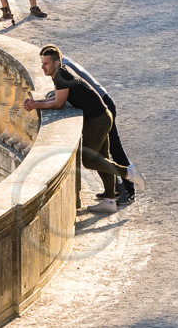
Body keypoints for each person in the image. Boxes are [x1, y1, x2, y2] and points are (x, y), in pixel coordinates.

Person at [23, 46, 136, 213]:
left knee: (106, 152)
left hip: (101, 106)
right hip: (99, 106)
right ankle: (111, 196)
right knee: (102, 154)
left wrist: (36, 104)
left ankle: (128, 183)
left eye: (45, 63)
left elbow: (61, 101)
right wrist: (40, 101)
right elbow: (63, 94)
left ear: (55, 61)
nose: (42, 67)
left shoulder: (61, 72)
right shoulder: (62, 67)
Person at [61, 54, 136, 207]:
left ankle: (129, 190)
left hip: (103, 105)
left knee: (114, 148)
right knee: (104, 152)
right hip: (103, 100)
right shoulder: (64, 62)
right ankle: (113, 191)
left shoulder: (61, 68)